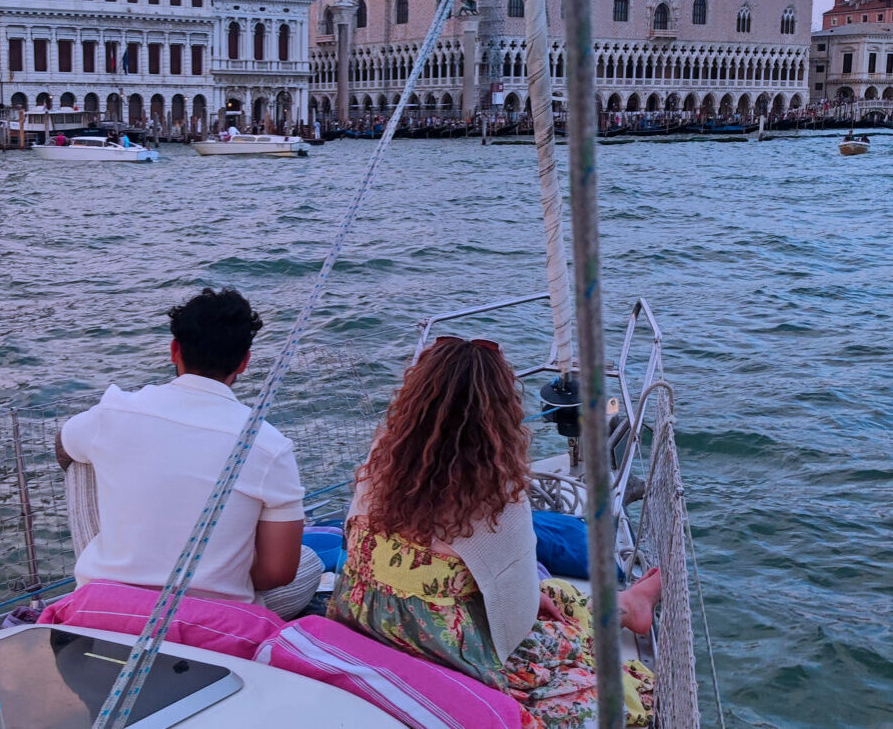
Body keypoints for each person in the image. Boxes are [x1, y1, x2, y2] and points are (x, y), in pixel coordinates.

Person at [330, 337, 660, 727]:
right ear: (499, 412)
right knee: (558, 618)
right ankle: (625, 606)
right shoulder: (496, 492)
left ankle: (626, 606)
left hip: (363, 617)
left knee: (548, 597)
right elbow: (517, 608)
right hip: (442, 647)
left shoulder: (381, 461)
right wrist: (529, 601)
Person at [55, 288, 321, 618]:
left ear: (174, 350)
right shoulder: (269, 445)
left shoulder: (112, 413)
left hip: (107, 607)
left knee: (80, 459)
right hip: (212, 620)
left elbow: (62, 445)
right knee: (310, 562)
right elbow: (277, 574)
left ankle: (107, 567)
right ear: (244, 362)